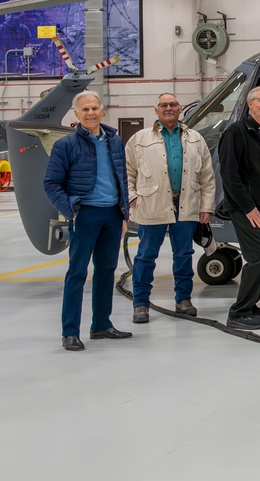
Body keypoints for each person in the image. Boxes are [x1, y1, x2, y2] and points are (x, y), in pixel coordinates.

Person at [43, 91, 131, 351]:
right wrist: (71, 211)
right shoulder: (65, 145)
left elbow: (122, 179)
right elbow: (51, 184)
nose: (91, 113)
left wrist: (124, 213)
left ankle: (101, 325)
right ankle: (70, 332)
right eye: (85, 110)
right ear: (76, 114)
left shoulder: (115, 142)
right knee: (77, 273)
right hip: (85, 215)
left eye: (94, 108)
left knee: (106, 271)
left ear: (102, 110)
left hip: (112, 215)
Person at [126, 93, 215, 324]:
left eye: (173, 104)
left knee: (184, 254)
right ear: (155, 110)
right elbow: (126, 172)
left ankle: (183, 300)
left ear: (179, 109)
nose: (168, 108)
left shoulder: (196, 139)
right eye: (163, 105)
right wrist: (133, 199)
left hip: (186, 204)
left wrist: (206, 206)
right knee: (146, 256)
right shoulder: (139, 139)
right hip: (151, 204)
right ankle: (141, 304)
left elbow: (207, 176)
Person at [218, 86, 260, 330]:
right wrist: (248, 208)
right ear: (249, 104)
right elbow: (229, 175)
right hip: (245, 209)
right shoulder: (235, 133)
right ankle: (238, 312)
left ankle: (252, 302)